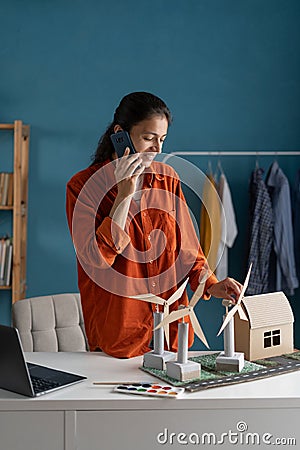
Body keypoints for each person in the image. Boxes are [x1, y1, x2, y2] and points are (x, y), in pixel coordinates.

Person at [66, 91, 242, 358]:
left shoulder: (167, 178)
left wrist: (212, 285)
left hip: (172, 334)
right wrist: (124, 195)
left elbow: (188, 252)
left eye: (162, 139)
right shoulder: (82, 187)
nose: (157, 149)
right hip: (118, 337)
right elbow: (97, 261)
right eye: (148, 138)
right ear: (120, 134)